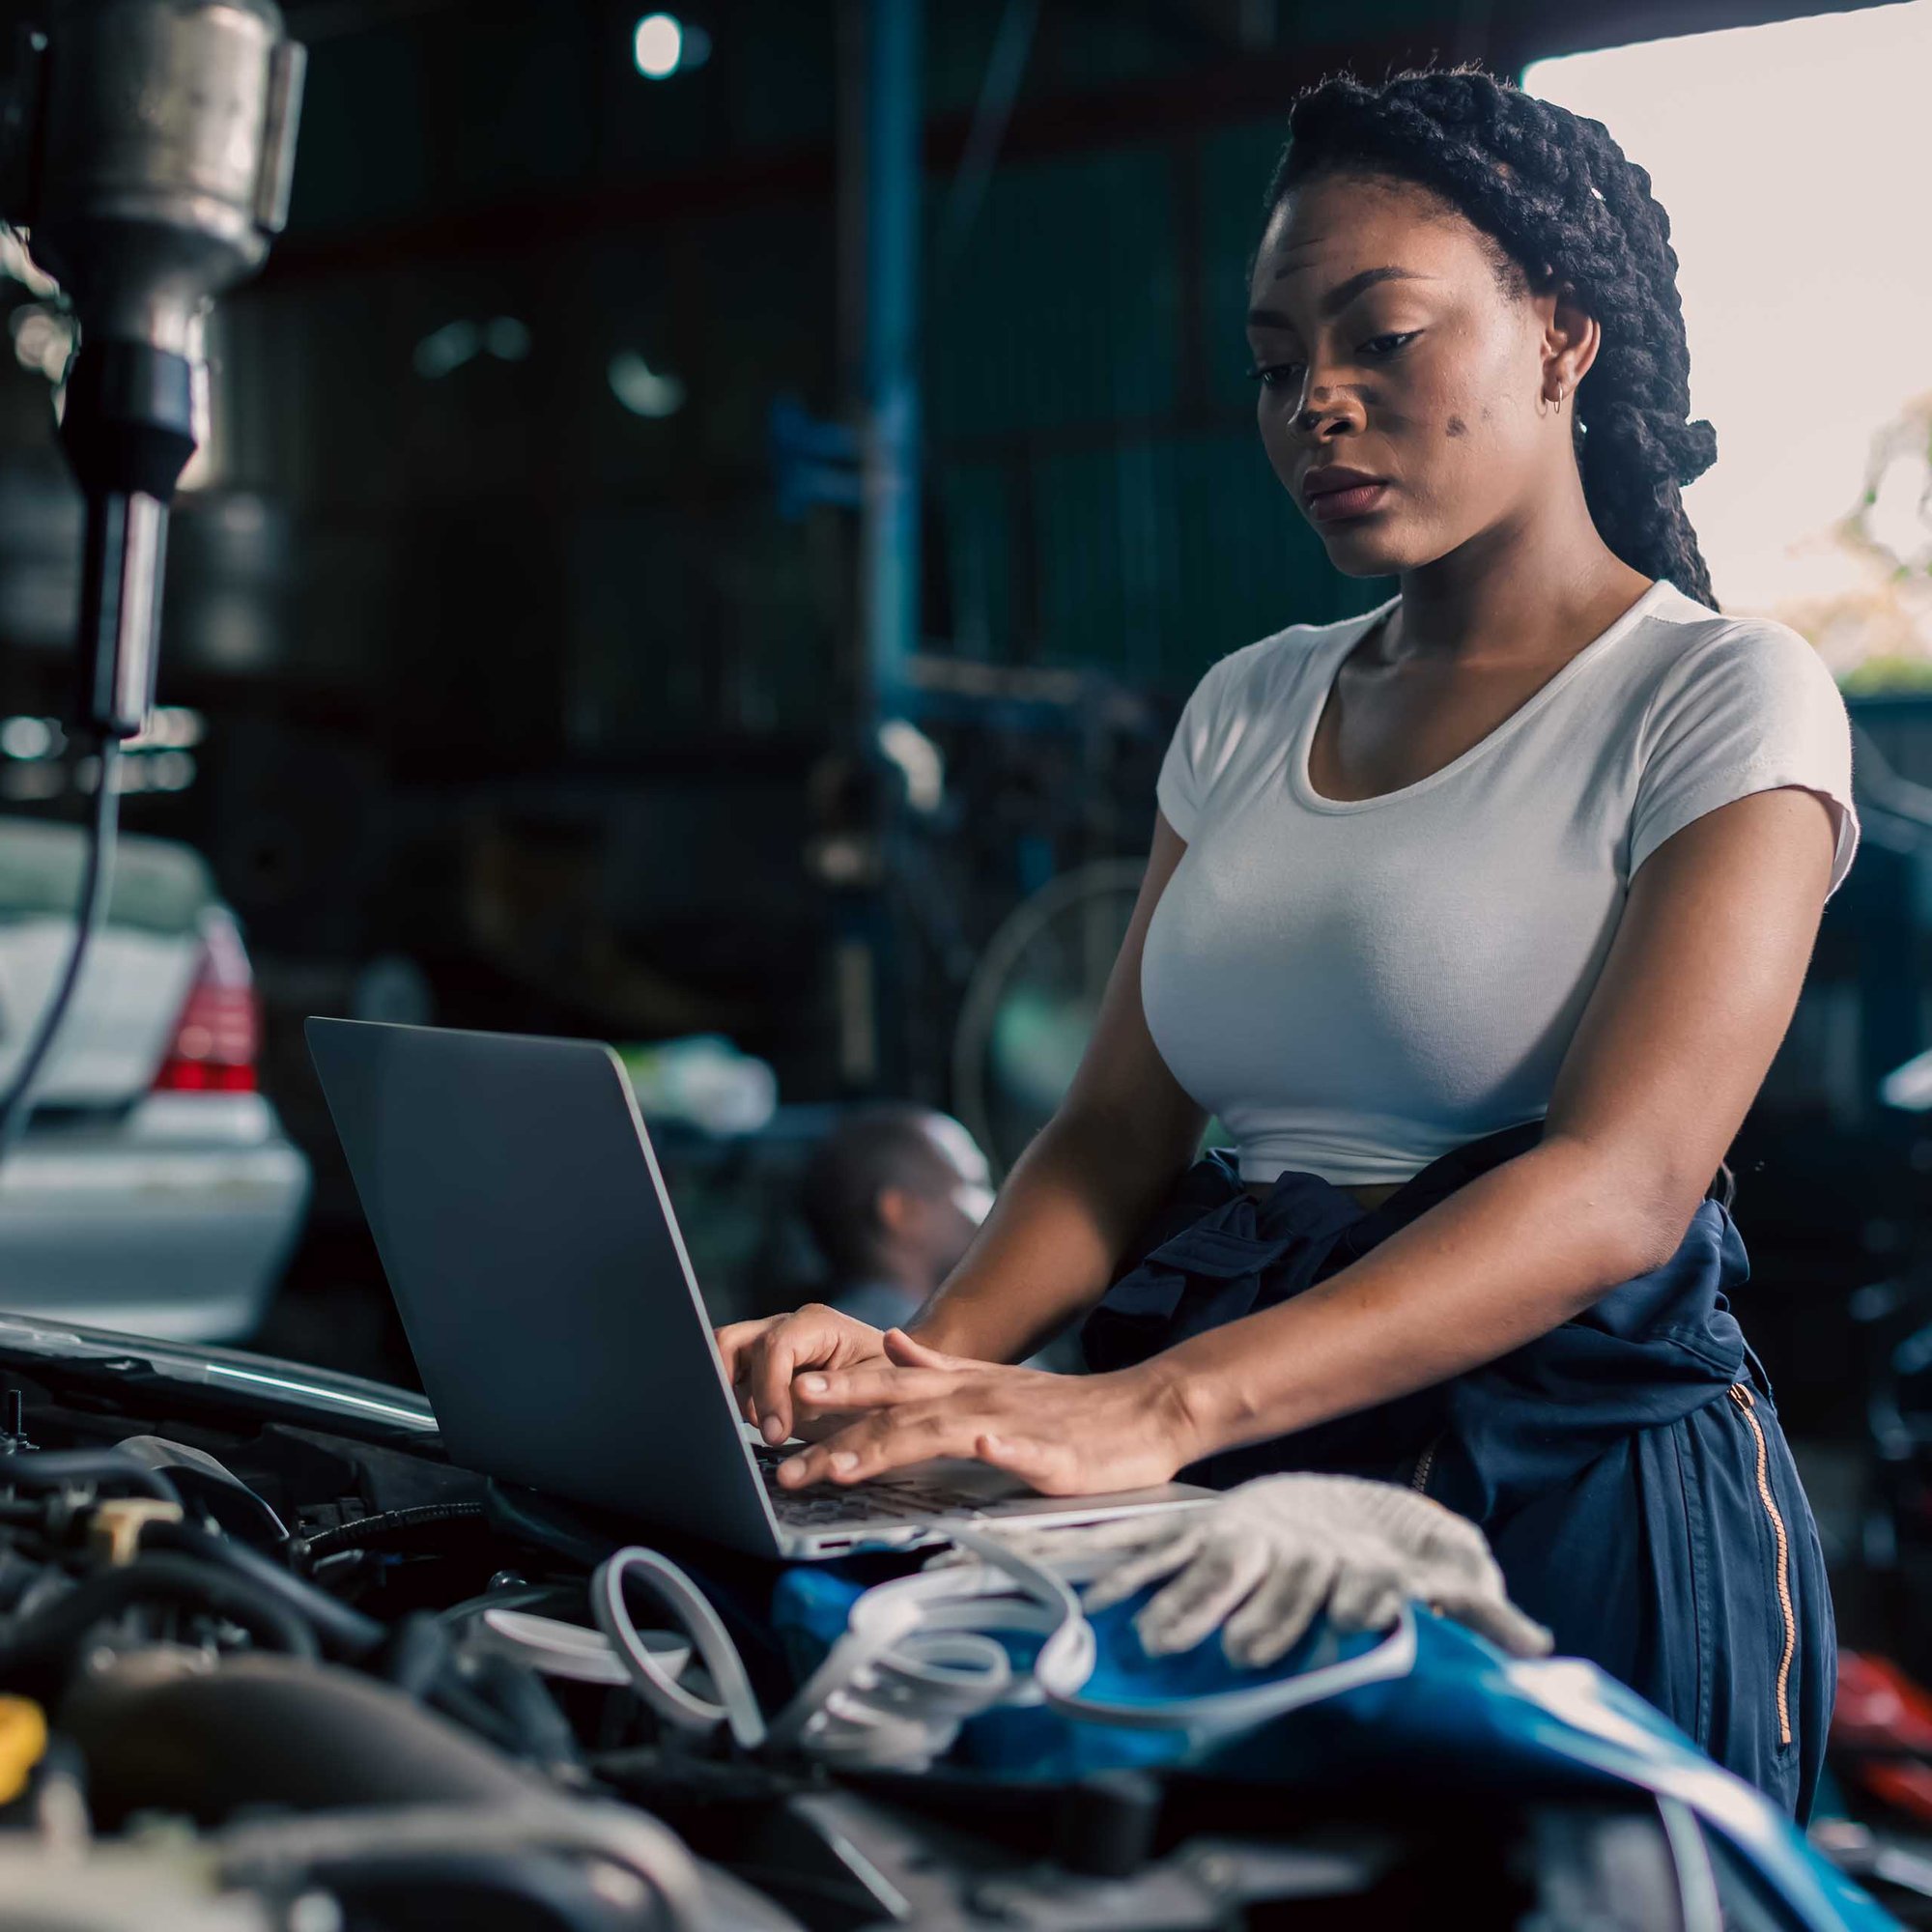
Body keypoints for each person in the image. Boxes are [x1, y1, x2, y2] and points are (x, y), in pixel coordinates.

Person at [719, 65, 1859, 1819]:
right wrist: (922, 1377)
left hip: (1562, 1515)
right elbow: (1112, 1138)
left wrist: (1146, 1412)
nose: (1315, 403)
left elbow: (1622, 1183)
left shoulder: (1714, 696)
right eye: (1274, 362)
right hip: (1242, 1495)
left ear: (1562, 336)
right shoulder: (1252, 704)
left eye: (1381, 337)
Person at [798, 1106, 994, 1333]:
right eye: (976, 1185)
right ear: (902, 1211)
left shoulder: (825, 1343)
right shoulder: (960, 1352)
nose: (996, 1206)